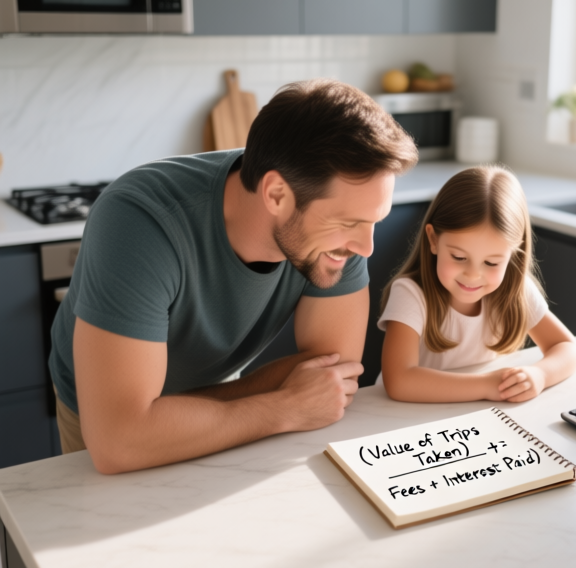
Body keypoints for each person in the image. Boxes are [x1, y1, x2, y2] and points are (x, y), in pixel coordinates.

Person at [50, 79, 418, 474]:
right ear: (276, 194)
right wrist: (282, 405)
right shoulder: (138, 221)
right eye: (349, 223)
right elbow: (119, 441)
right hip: (103, 411)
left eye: (373, 222)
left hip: (228, 397)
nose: (367, 248)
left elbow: (331, 374)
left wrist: (201, 412)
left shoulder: (335, 228)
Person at [378, 166, 576, 402]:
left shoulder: (518, 291)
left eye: (492, 262)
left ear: (513, 254)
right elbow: (399, 381)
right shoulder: (411, 294)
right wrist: (487, 386)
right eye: (459, 258)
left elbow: (567, 346)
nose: (473, 275)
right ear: (433, 240)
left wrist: (540, 375)